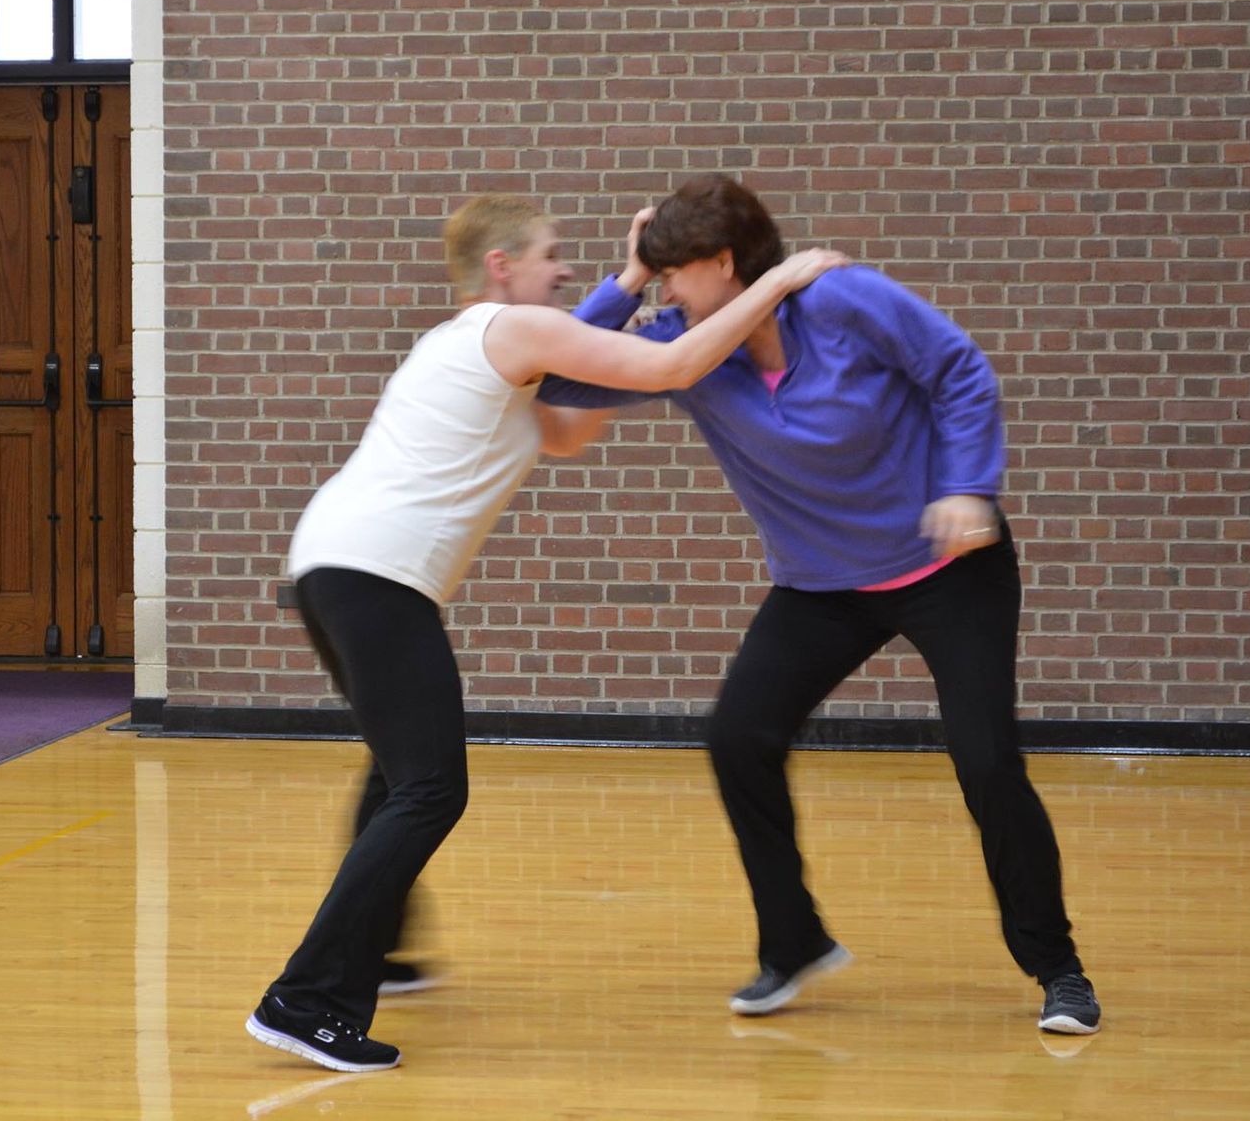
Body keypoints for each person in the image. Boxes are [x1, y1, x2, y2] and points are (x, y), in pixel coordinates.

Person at [247, 195, 847, 1073]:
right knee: (429, 790)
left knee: (396, 779)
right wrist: (778, 282)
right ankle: (306, 998)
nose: (565, 272)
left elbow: (566, 428)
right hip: (375, 574)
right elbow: (677, 365)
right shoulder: (507, 326)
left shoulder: (478, 347)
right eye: (551, 256)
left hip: (339, 563)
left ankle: (374, 955)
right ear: (502, 267)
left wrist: (638, 312)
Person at [537, 174, 1102, 1036]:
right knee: (738, 739)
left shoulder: (842, 299)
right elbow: (559, 380)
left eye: (675, 275)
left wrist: (968, 488)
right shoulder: (690, 348)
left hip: (946, 563)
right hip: (822, 586)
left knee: (987, 763)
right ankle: (792, 941)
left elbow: (959, 372)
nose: (668, 294)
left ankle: (1057, 967)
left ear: (723, 262)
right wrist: (624, 281)